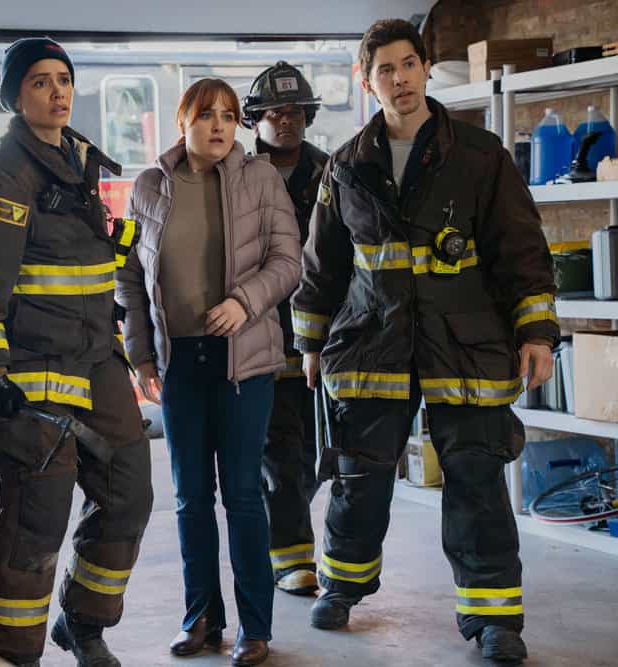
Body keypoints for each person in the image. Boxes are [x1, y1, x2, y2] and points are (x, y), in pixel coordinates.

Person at [291, 19, 559, 663]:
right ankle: (342, 585)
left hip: (463, 341)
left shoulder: (480, 154)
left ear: (426, 68)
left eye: (409, 63)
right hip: (371, 342)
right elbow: (323, 262)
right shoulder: (346, 166)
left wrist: (537, 333)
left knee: (475, 477)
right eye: (385, 68)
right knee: (361, 474)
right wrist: (309, 341)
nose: (400, 78)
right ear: (367, 80)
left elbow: (520, 249)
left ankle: (495, 618)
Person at [0, 38, 153, 667]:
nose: (57, 91)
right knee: (35, 522)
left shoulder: (80, 163)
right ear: (16, 96)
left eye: (63, 79)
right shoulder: (3, 179)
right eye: (40, 81)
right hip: (34, 375)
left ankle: (84, 624)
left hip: (98, 364)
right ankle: (9, 654)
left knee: (129, 493)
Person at [116, 78, 301, 667]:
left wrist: (245, 301)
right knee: (190, 499)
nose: (218, 126)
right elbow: (130, 282)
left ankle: (255, 627)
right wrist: (140, 356)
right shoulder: (149, 187)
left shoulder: (261, 178)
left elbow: (288, 261)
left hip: (243, 361)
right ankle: (201, 619)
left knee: (243, 495)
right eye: (205, 115)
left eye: (228, 116)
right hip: (180, 364)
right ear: (182, 121)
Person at [241, 61, 329, 597]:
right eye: (275, 111)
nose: (286, 120)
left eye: (295, 111)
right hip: (263, 335)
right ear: (255, 119)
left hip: (323, 340)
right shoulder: (239, 174)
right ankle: (291, 558)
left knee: (318, 454)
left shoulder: (332, 171)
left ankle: (288, 541)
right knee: (279, 449)